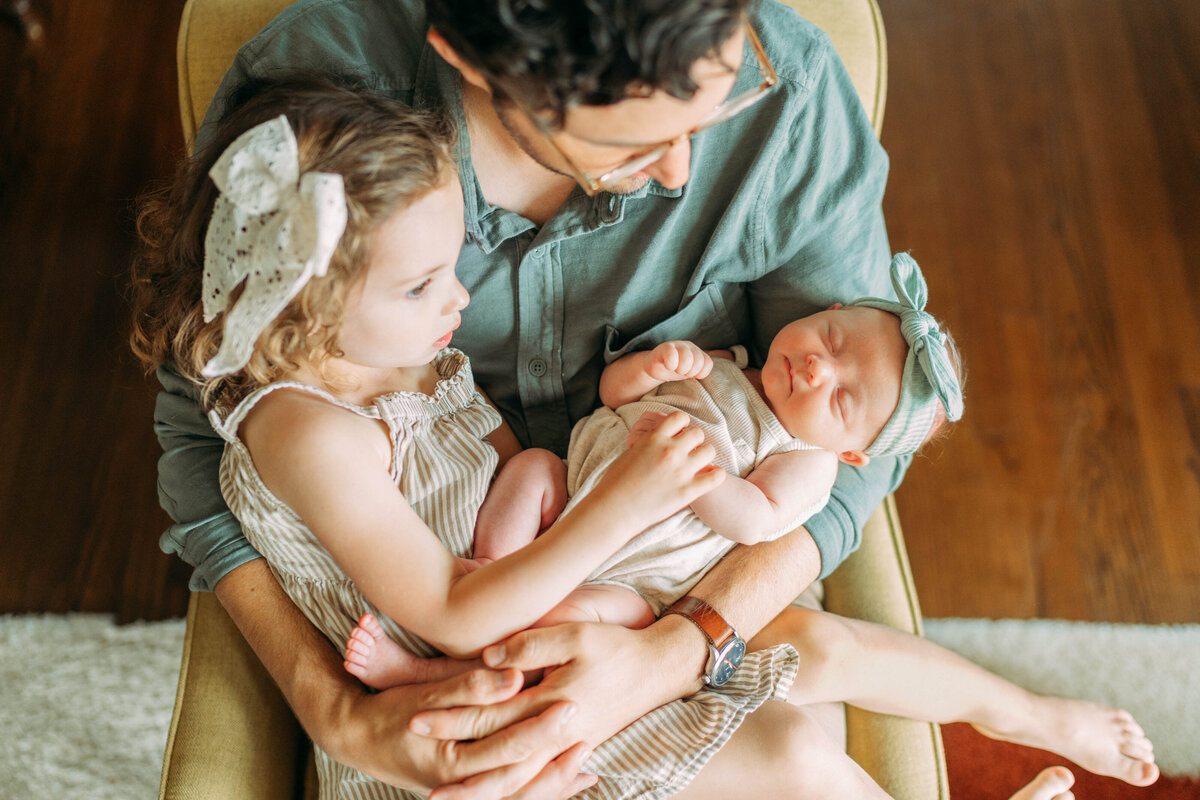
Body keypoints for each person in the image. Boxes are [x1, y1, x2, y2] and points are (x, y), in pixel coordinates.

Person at [151, 0, 925, 796]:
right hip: (450, 626)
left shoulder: (788, 98)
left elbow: (864, 433)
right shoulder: (326, 108)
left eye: (713, 104)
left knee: (799, 750)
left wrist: (680, 647)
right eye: (626, 139)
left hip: (686, 571)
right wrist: (335, 712)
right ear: (470, 58)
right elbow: (202, 431)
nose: (681, 172)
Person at [346, 254, 1159, 798]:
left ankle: (1025, 714)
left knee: (789, 643)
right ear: (827, 312)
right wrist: (649, 372)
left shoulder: (804, 462)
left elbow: (756, 515)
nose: (816, 366)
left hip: (642, 584)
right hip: (571, 504)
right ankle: (487, 583)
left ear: (848, 453)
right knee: (531, 472)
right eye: (832, 339)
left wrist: (691, 475)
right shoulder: (726, 361)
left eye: (840, 396)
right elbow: (613, 394)